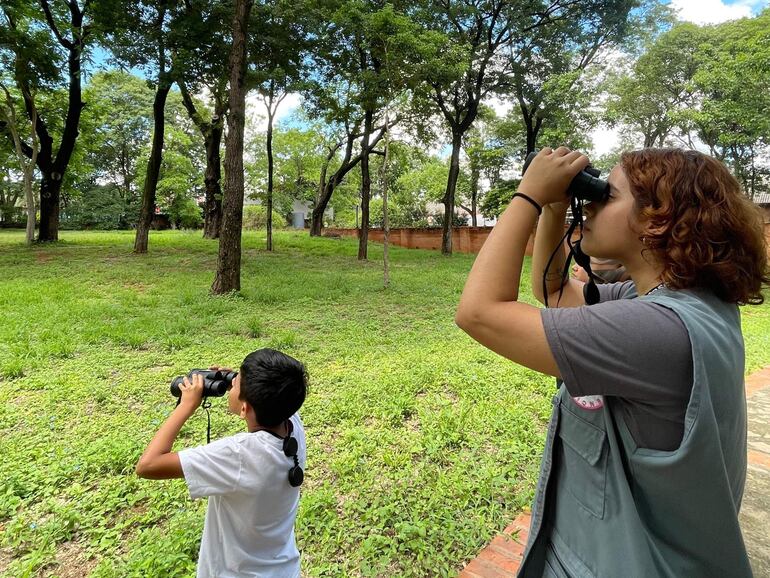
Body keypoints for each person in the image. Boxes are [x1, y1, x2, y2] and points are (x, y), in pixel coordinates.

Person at [456, 147, 768, 577]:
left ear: (655, 217)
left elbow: (478, 312)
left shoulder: (656, 330)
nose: (594, 203)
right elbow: (553, 291)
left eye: (608, 195)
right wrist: (554, 209)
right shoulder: (683, 302)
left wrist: (527, 195)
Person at [135, 348, 308, 578]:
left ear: (245, 407)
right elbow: (273, 395)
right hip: (284, 570)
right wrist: (237, 382)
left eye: (237, 386)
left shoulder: (237, 455)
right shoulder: (292, 424)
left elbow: (148, 465)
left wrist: (187, 405)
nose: (233, 384)